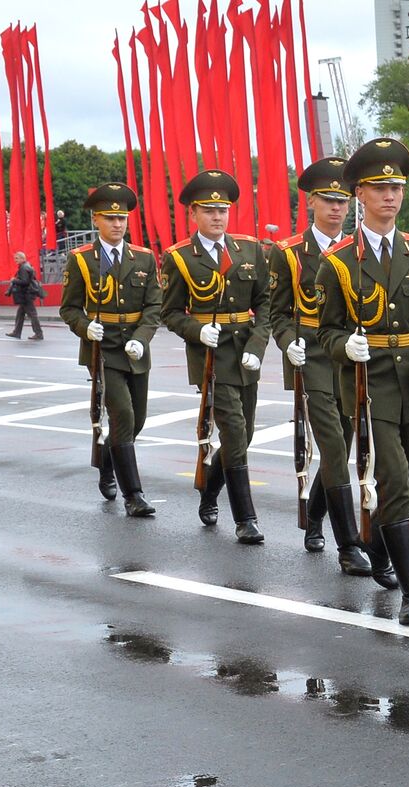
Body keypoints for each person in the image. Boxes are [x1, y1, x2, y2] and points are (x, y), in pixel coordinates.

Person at [315, 139, 409, 626]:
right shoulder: (340, 262)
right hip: (370, 387)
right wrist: (342, 346)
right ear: (359, 195)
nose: (390, 196)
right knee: (393, 476)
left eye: (396, 187)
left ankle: (379, 541)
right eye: (379, 188)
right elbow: (325, 328)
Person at [267, 156, 373, 576]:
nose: (336, 208)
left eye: (343, 201)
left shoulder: (359, 251)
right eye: (328, 200)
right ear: (311, 202)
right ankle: (349, 545)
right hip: (310, 356)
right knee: (332, 448)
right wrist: (285, 342)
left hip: (348, 358)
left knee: (340, 447)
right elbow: (275, 312)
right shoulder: (290, 253)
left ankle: (314, 515)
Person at [161, 169, 272, 544]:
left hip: (245, 354)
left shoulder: (249, 249)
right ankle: (246, 519)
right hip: (212, 356)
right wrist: (197, 330)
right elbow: (170, 312)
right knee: (235, 433)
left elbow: (264, 303)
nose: (218, 217)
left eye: (223, 209)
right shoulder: (179, 257)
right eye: (209, 210)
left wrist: (257, 347)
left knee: (247, 433)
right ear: (193, 213)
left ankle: (210, 490)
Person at [58, 183, 161, 516]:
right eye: (110, 218)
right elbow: (69, 308)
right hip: (103, 349)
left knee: (137, 420)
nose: (118, 224)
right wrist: (86, 327)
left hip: (134, 348)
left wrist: (142, 337)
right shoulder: (82, 260)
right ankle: (134, 495)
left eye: (122, 218)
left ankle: (106, 460)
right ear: (96, 219)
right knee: (124, 415)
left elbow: (153, 306)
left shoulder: (144, 257)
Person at [6, 251, 46, 340]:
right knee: (20, 314)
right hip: (26, 294)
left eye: (17, 258)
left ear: (22, 258)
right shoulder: (26, 266)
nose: (15, 260)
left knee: (32, 314)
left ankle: (39, 334)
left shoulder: (24, 268)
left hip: (26, 294)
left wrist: (14, 280)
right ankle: (17, 332)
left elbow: (25, 282)